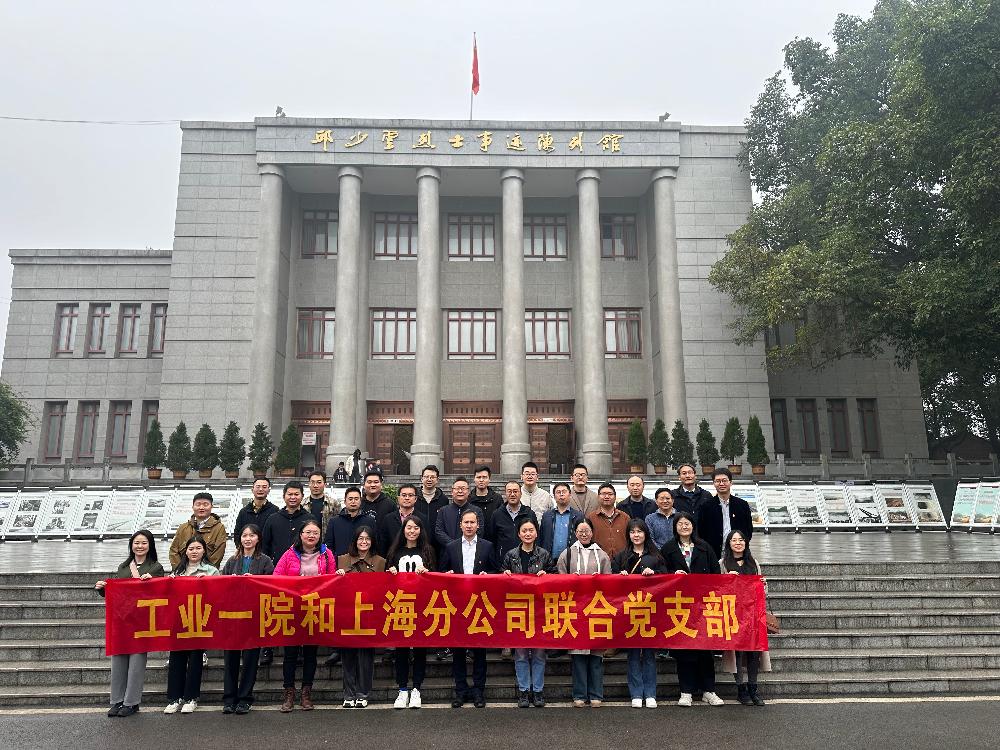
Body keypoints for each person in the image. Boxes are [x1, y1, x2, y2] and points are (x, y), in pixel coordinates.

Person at [95, 529, 165, 717]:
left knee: (136, 663)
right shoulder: (123, 567)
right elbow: (119, 593)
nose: (140, 546)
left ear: (150, 546)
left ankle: (131, 702)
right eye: (136, 543)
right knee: (118, 660)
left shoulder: (156, 568)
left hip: (142, 621)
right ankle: (117, 700)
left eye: (144, 543)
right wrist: (103, 589)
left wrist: (152, 582)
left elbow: (160, 593)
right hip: (122, 620)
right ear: (131, 545)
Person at [660, 512, 724, 707]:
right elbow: (661, 573)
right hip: (680, 605)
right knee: (684, 651)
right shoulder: (668, 548)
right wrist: (673, 574)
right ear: (675, 527)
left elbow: (715, 574)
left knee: (705, 650)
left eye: (687, 523)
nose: (684, 526)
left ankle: (708, 690)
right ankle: (686, 691)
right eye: (680, 523)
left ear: (693, 526)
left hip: (703, 605)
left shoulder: (704, 547)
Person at [273, 519, 337, 712]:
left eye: (315, 533)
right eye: (308, 532)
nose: (311, 536)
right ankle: (289, 693)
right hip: (292, 609)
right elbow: (276, 578)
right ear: (300, 534)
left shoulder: (327, 555)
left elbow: (332, 580)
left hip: (314, 609)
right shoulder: (289, 554)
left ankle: (306, 693)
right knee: (290, 654)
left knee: (311, 654)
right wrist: (295, 583)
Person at [439, 508, 498, 708]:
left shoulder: (487, 546)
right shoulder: (451, 547)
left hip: (479, 605)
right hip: (457, 605)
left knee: (479, 651)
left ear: (478, 525)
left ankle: (479, 691)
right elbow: (442, 571)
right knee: (458, 651)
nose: (469, 526)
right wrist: (447, 574)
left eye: (473, 522)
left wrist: (488, 576)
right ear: (460, 525)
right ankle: (461, 691)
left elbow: (495, 570)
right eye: (466, 522)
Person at [220, 524, 275, 714]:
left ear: (258, 539)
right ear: (240, 538)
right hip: (233, 617)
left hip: (254, 616)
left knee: (251, 660)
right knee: (231, 660)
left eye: (252, 535)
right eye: (245, 535)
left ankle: (245, 698)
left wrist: (255, 581)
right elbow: (221, 586)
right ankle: (229, 698)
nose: (248, 539)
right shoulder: (232, 561)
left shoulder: (265, 561)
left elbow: (271, 586)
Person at [557, 518, 610, 707]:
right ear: (575, 533)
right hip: (575, 609)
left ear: (592, 532)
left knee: (596, 654)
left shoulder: (602, 554)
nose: (584, 534)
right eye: (580, 531)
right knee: (578, 654)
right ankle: (579, 694)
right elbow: (560, 580)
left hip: (596, 608)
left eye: (587, 531)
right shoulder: (568, 553)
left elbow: (610, 582)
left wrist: (600, 580)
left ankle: (596, 694)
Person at [501, 516, 554, 707]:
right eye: (524, 530)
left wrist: (547, 576)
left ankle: (538, 691)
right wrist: (505, 575)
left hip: (539, 610)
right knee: (521, 653)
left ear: (536, 533)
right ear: (519, 534)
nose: (528, 533)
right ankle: (524, 691)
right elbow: (500, 581)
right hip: (518, 609)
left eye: (531, 530)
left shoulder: (544, 555)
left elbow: (556, 578)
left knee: (539, 653)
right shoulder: (511, 555)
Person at [612, 518, 665, 708]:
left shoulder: (656, 556)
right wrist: (620, 577)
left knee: (649, 654)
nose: (636, 535)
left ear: (645, 533)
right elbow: (611, 582)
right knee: (633, 654)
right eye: (632, 532)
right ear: (628, 535)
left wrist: (655, 574)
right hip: (629, 612)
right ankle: (636, 692)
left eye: (639, 531)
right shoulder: (622, 556)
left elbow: (666, 580)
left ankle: (650, 693)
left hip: (650, 611)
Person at [163, 536, 219, 714]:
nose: (194, 551)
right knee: (176, 659)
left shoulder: (211, 571)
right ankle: (174, 698)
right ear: (185, 551)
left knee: (195, 659)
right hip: (179, 620)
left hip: (199, 620)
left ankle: (191, 698)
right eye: (191, 548)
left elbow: (219, 595)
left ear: (204, 551)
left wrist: (209, 583)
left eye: (198, 548)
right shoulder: (178, 571)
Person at [385, 516, 436, 709]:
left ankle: (416, 689)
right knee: (401, 649)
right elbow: (385, 580)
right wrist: (390, 573)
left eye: (416, 528)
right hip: (401, 605)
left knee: (420, 648)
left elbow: (436, 579)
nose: (412, 531)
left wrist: (427, 573)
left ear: (421, 530)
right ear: (403, 529)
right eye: (409, 527)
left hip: (421, 606)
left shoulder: (428, 551)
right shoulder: (395, 551)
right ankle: (402, 689)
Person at [335, 527, 386, 707]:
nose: (364, 542)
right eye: (360, 538)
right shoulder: (342, 560)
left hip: (369, 615)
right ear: (355, 541)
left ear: (372, 541)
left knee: (365, 657)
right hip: (347, 613)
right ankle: (348, 695)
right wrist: (338, 576)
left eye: (367, 539)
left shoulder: (380, 562)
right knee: (348, 656)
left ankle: (363, 694)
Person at [720, 529, 770, 706]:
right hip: (733, 614)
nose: (738, 543)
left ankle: (753, 688)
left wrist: (763, 585)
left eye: (741, 540)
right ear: (729, 544)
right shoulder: (722, 563)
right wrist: (726, 579)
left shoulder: (753, 562)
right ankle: (741, 689)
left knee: (754, 652)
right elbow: (717, 590)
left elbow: (763, 592)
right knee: (737, 652)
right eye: (734, 540)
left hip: (753, 614)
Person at [698, 468, 754, 560]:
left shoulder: (742, 505)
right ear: (714, 483)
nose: (721, 484)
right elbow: (701, 531)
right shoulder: (706, 506)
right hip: (713, 553)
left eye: (724, 480)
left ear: (731, 482)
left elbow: (748, 529)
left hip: (738, 552)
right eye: (718, 481)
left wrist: (740, 544)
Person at [168, 492, 227, 569]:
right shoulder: (183, 527)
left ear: (211, 507)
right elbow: (174, 551)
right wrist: (180, 570)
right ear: (193, 507)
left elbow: (218, 554)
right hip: (183, 573)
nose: (201, 507)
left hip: (207, 573)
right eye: (198, 504)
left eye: (205, 504)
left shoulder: (219, 528)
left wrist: (206, 571)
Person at [261, 481, 314, 562]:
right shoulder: (273, 519)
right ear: (284, 496)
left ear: (302, 496)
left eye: (296, 494)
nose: (293, 497)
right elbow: (264, 545)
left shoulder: (309, 519)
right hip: (277, 565)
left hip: (303, 564)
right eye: (290, 494)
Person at [487, 481, 536, 563]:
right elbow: (491, 539)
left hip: (526, 561)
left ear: (521, 494)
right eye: (509, 491)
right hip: (503, 562)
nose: (512, 494)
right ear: (505, 494)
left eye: (515, 491)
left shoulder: (529, 513)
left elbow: (536, 538)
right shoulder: (497, 514)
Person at [434, 477, 486, 551]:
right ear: (452, 492)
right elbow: (439, 531)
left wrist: (464, 544)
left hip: (470, 550)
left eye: (463, 488)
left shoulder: (477, 511)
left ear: (468, 492)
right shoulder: (443, 511)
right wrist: (454, 545)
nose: (460, 491)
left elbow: (480, 531)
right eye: (457, 488)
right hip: (448, 551)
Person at [540, 482, 583, 561]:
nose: (561, 494)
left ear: (570, 495)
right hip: (549, 560)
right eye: (558, 492)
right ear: (554, 496)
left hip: (572, 560)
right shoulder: (546, 516)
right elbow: (542, 538)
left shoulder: (578, 516)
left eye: (564, 491)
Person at [587, 483, 629, 558]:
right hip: (598, 560)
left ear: (615, 497)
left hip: (622, 561)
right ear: (598, 497)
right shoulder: (590, 518)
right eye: (603, 494)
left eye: (610, 494)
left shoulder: (625, 517)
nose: (607, 497)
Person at [326, 486, 369, 556]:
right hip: (340, 561)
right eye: (350, 499)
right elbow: (329, 545)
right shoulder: (334, 521)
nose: (353, 501)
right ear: (345, 501)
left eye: (356, 499)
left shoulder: (369, 520)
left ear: (360, 501)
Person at [377, 483, 419, 555]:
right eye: (404, 495)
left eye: (410, 495)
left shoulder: (422, 518)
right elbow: (383, 544)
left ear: (415, 499)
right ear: (398, 498)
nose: (407, 498)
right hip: (392, 558)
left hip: (416, 558)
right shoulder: (388, 519)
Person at [233, 477, 279, 543]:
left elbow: (277, 535)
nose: (260, 489)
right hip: (248, 548)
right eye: (258, 487)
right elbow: (237, 534)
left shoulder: (275, 511)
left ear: (269, 490)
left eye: (264, 487)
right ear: (252, 489)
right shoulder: (244, 512)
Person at [414, 467, 448, 549]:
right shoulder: (414, 498)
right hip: (417, 541)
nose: (429, 479)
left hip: (438, 544)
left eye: (432, 477)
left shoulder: (443, 500)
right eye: (426, 477)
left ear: (437, 479)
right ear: (421, 478)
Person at [305, 471, 340, 539]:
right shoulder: (302, 504)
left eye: (319, 482)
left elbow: (339, 524)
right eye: (312, 482)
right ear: (309, 484)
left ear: (325, 484)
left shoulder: (334, 503)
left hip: (327, 542)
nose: (315, 486)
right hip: (308, 541)